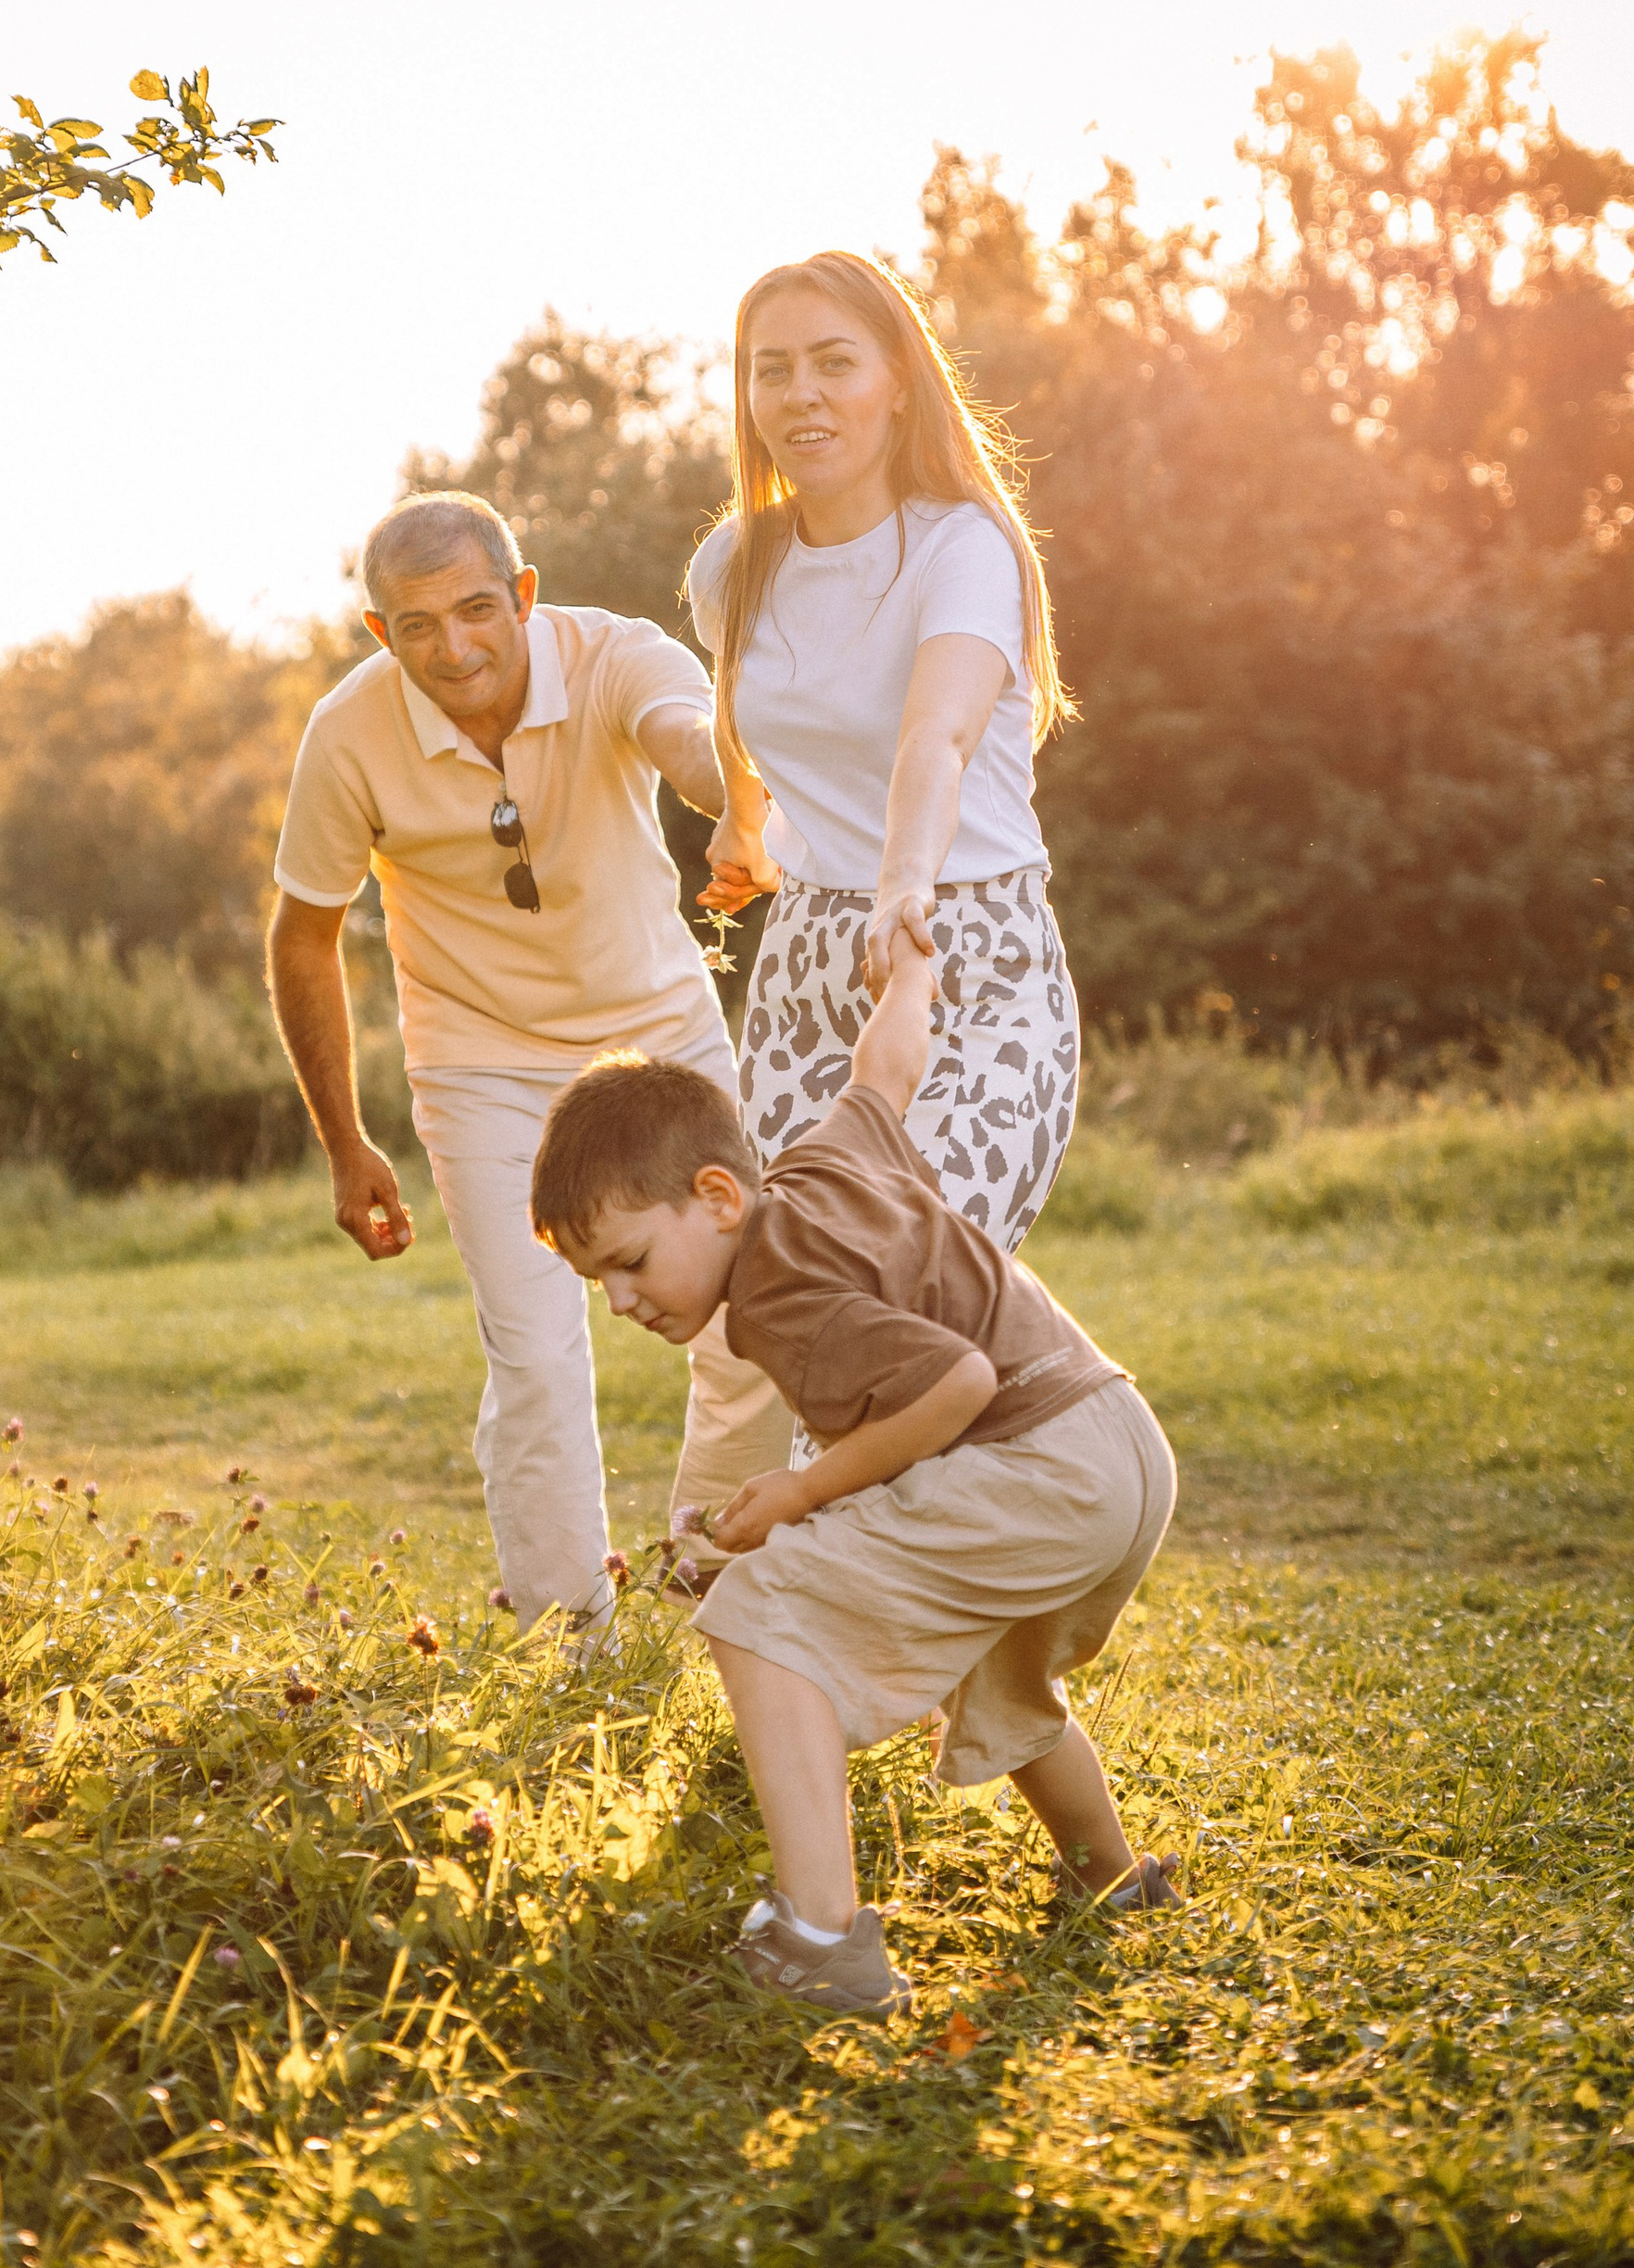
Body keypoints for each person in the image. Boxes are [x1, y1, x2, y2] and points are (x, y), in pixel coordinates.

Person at [530, 927, 1178, 2020]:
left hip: (1033, 1459)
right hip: (1116, 1442)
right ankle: (1113, 1879)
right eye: (601, 1284)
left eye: (631, 1262)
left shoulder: (777, 1292)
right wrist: (912, 974)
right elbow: (885, 1069)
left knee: (756, 1617)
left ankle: (821, 1935)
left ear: (718, 1197)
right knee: (996, 1675)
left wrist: (796, 1495)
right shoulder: (822, 1162)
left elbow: (957, 1386)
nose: (623, 1303)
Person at [267, 491, 788, 1631]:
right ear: (377, 634)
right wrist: (346, 1144)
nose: (452, 649)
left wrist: (739, 810)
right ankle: (568, 1647)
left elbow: (691, 744)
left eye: (473, 611)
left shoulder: (612, 658)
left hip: (658, 1028)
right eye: (415, 627)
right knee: (540, 1360)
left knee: (753, 1310)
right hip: (480, 1059)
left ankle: (716, 1585)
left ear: (524, 598)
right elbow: (301, 935)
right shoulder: (349, 733)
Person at [670, 246, 1085, 1546]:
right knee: (801, 1306)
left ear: (898, 381)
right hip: (806, 970)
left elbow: (934, 739)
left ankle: (932, 1602)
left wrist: (903, 880)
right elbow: (763, 736)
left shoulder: (963, 545)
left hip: (967, 948)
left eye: (834, 362)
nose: (800, 394)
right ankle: (823, 1625)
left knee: (912, 1294)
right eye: (770, 368)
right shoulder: (730, 568)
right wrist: (750, 828)